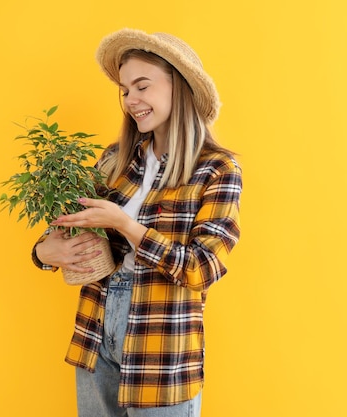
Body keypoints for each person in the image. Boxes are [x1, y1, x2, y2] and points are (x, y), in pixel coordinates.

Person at [32, 28, 242, 417]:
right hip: (97, 327)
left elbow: (202, 268)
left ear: (179, 87)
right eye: (125, 90)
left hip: (163, 344)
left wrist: (127, 226)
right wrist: (45, 251)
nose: (131, 100)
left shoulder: (216, 169)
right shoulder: (115, 159)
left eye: (142, 86)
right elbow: (66, 228)